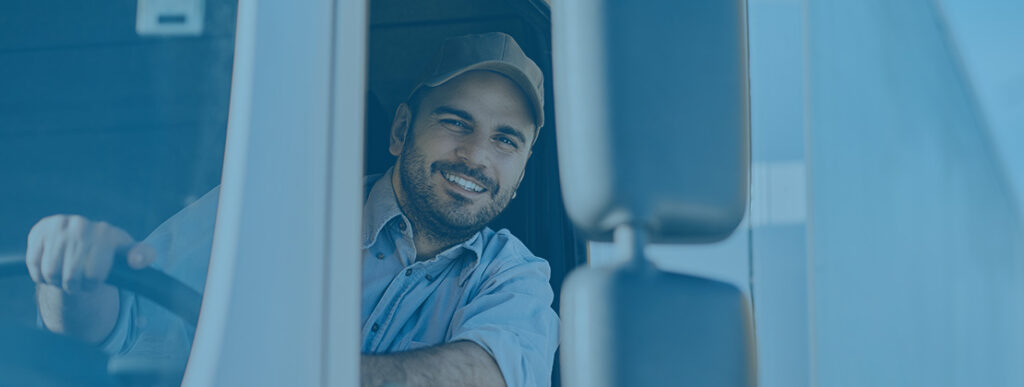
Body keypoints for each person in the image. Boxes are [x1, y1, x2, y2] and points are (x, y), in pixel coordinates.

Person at [26, 32, 558, 387]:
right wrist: (69, 278)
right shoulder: (273, 207)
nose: (476, 156)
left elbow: (484, 377)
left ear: (521, 173)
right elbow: (121, 325)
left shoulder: (517, 277)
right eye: (455, 122)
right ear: (401, 131)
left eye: (506, 140)